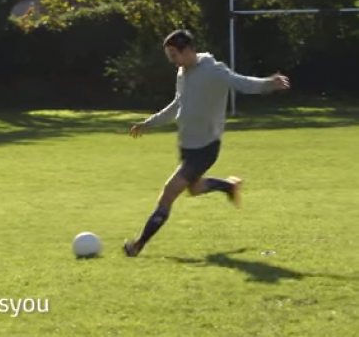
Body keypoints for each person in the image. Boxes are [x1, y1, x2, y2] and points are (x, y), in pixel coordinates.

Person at [123, 29, 290, 257]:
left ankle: (137, 245)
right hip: (187, 145)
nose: (172, 60)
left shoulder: (213, 70)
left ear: (189, 50)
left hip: (205, 147)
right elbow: (177, 104)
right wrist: (149, 123)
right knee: (195, 188)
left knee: (169, 192)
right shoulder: (183, 73)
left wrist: (269, 84)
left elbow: (242, 82)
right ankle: (230, 186)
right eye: (169, 55)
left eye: (174, 54)